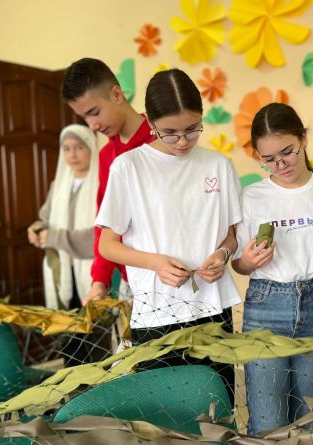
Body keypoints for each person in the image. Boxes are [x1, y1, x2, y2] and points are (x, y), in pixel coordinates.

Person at [95, 68, 242, 399]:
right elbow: (107, 245)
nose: (182, 141)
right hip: (156, 314)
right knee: (166, 419)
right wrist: (155, 263)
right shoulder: (128, 167)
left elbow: (232, 237)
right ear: (151, 125)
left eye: (192, 129)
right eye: (169, 133)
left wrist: (222, 256)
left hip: (212, 310)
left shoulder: (218, 166)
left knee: (218, 408)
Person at [231, 103, 313, 445]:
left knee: (305, 422)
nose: (280, 164)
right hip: (267, 304)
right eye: (268, 158)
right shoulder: (251, 196)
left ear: (304, 139)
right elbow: (236, 261)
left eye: (287, 151)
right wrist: (246, 262)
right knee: (269, 424)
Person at [61, 58, 154, 305]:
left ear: (116, 94)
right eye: (84, 118)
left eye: (94, 112)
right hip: (131, 280)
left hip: (172, 273)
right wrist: (99, 280)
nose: (93, 125)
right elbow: (105, 223)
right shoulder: (106, 157)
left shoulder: (163, 140)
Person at [27, 124, 98, 310]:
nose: (73, 154)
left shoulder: (102, 183)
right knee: (68, 327)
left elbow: (101, 235)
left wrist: (54, 237)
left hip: (94, 272)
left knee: (96, 328)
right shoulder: (58, 186)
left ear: (91, 147)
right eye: (66, 149)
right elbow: (46, 220)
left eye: (79, 147)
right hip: (63, 267)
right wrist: (37, 229)